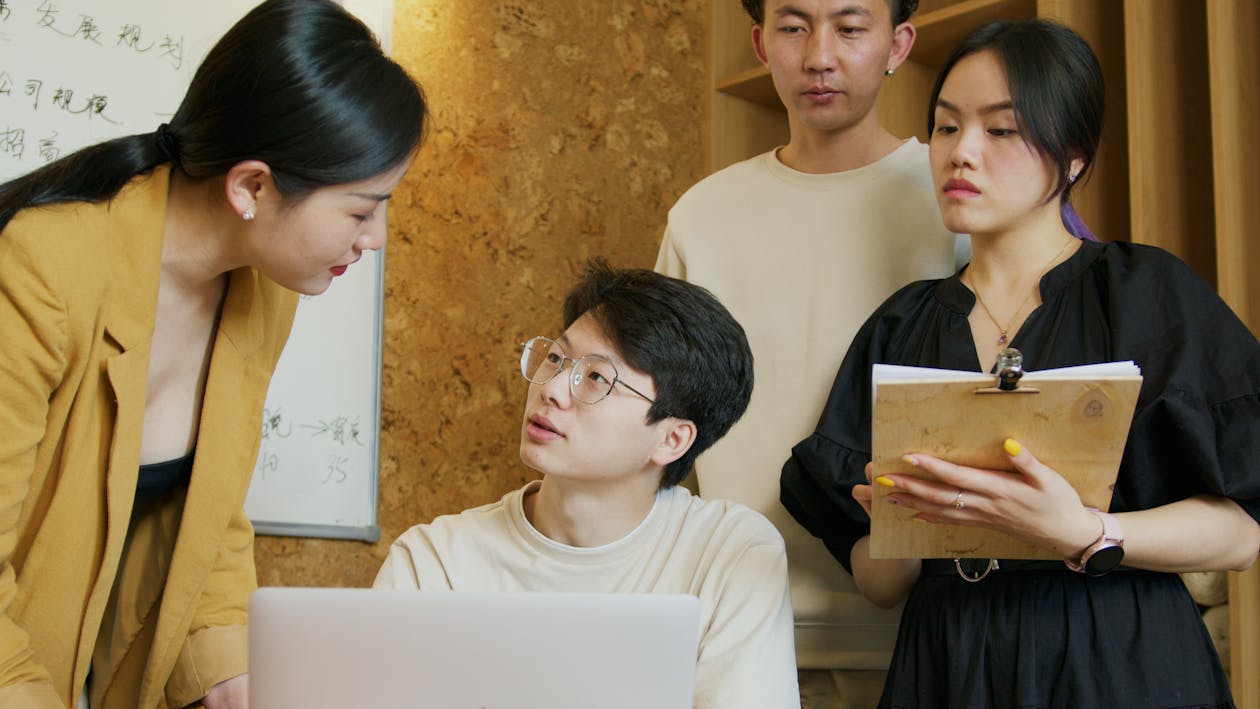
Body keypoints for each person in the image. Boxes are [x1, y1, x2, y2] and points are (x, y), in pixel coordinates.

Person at [781, 18, 1260, 708]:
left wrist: (1087, 531)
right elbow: (881, 586)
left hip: (1117, 655)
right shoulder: (901, 324)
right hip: (946, 658)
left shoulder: (1143, 292)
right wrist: (902, 520)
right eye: (946, 128)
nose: (961, 153)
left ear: (1072, 154)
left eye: (1000, 130)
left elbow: (1241, 534)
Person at [0, 0, 427, 706]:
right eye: (360, 209)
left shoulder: (264, 291)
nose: (375, 236)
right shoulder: (41, 270)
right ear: (251, 186)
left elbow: (211, 518)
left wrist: (232, 677)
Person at [655, 0, 965, 702]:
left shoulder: (957, 200)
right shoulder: (702, 216)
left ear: (898, 44)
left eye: (851, 28)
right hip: (735, 631)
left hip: (925, 636)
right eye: (795, 28)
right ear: (762, 44)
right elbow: (653, 428)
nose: (820, 55)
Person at [374, 260, 799, 709]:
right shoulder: (434, 562)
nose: (552, 388)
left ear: (672, 439)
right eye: (556, 358)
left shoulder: (731, 556)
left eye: (595, 378)